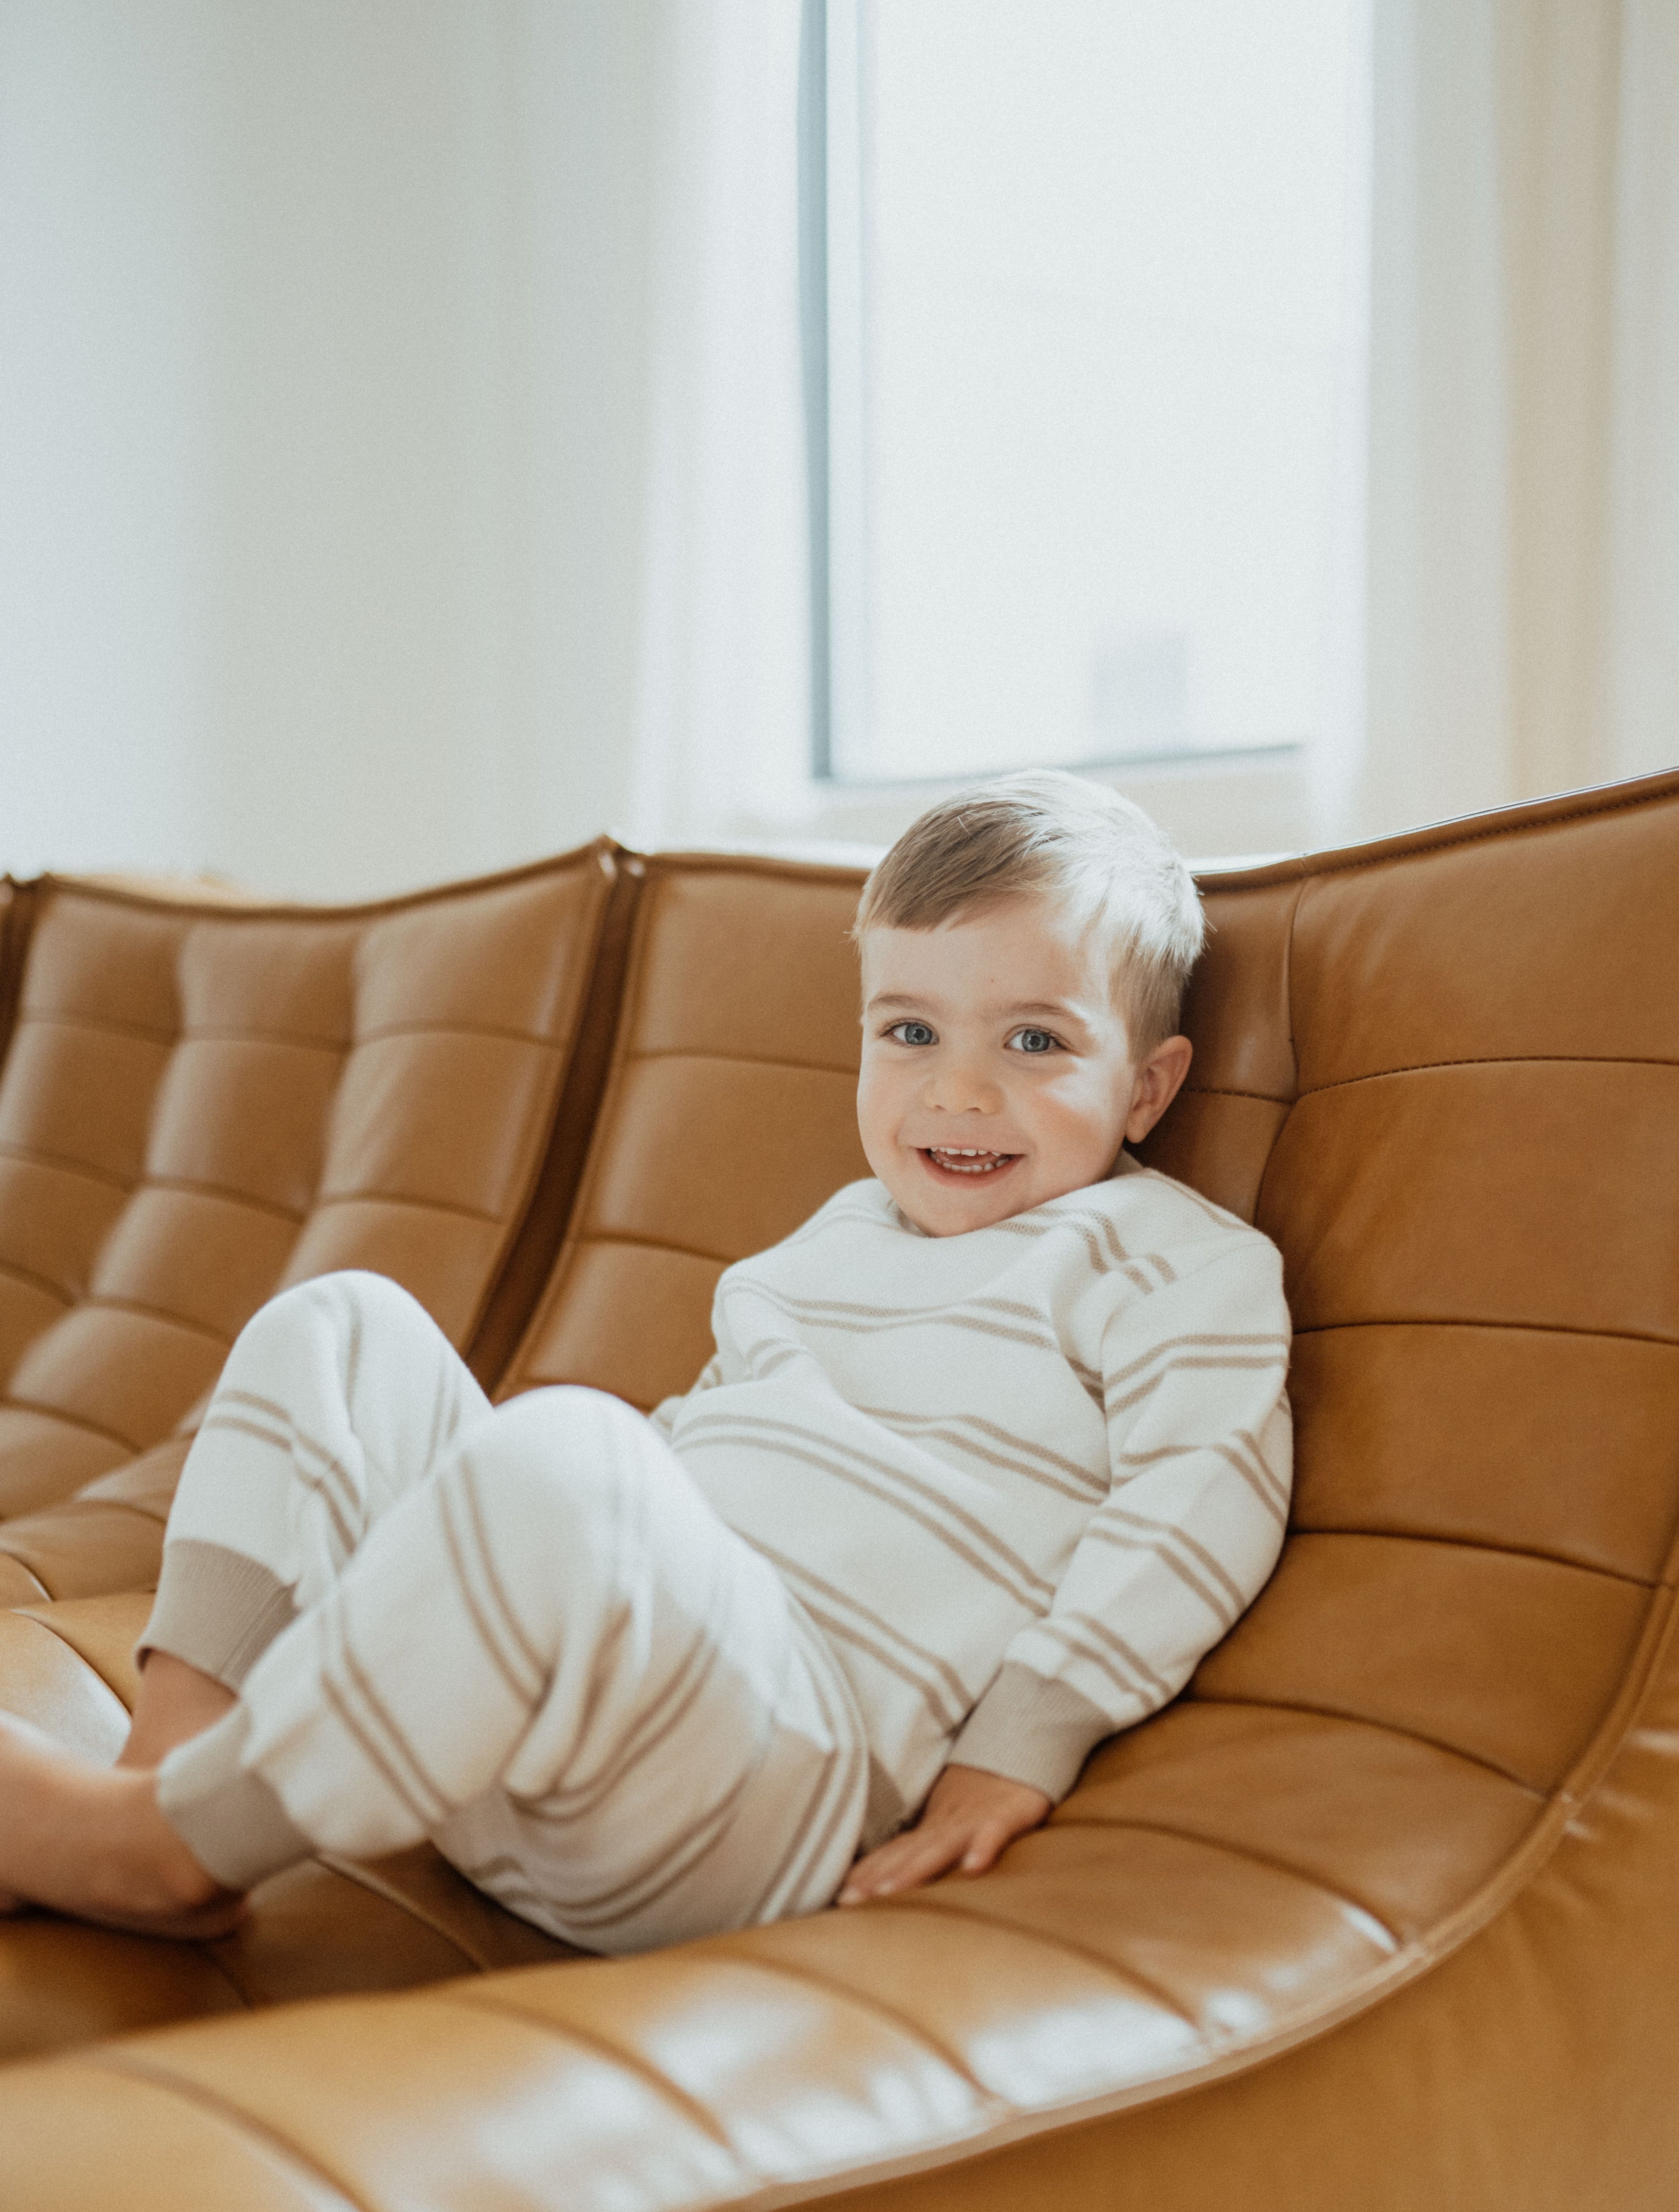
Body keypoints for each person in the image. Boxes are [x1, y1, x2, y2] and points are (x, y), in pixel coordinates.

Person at [0, 771, 1291, 1949]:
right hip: (544, 1749)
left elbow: (1201, 1504)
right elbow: (704, 1456)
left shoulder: (1176, 1260)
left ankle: (172, 1850)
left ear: (1147, 1086)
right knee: (341, 1327)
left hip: (773, 1784)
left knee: (569, 1451)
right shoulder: (837, 1236)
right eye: (909, 1033)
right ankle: (160, 1788)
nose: (956, 1093)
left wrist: (1026, 1738)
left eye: (1033, 1043)